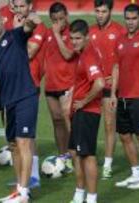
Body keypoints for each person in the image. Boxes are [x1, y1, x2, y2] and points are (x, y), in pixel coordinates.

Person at [0, 8, 40, 203]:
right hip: (8, 102)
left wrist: (31, 19)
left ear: (2, 21)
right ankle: (19, 189)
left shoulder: (15, 35)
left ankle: (24, 193)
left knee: (24, 142)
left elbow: (30, 25)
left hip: (26, 97)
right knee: (14, 145)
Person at [68, 19, 105, 203]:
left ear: (86, 37)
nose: (74, 42)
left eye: (77, 38)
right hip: (80, 112)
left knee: (87, 155)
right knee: (75, 152)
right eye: (72, 38)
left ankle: (91, 198)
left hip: (88, 112)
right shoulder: (83, 53)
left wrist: (83, 102)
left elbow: (99, 83)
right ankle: (79, 194)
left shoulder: (89, 54)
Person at [90, 0, 125, 179]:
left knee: (109, 124)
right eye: (97, 11)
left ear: (110, 11)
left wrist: (116, 80)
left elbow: (125, 60)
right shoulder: (91, 31)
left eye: (103, 11)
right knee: (88, 124)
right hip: (93, 87)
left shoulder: (120, 31)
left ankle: (108, 164)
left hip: (111, 88)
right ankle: (85, 158)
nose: (100, 14)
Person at [112, 3, 139, 190]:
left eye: (134, 18)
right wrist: (114, 94)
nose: (131, 22)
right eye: (128, 18)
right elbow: (115, 67)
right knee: (124, 136)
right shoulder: (120, 40)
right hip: (123, 97)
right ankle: (136, 173)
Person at [42, 2, 76, 173]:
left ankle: (74, 157)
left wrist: (56, 34)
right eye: (55, 20)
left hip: (67, 85)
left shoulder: (73, 33)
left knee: (69, 122)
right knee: (57, 121)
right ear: (51, 19)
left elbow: (68, 54)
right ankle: (62, 156)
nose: (59, 23)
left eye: (62, 19)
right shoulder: (47, 34)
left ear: (67, 16)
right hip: (50, 86)